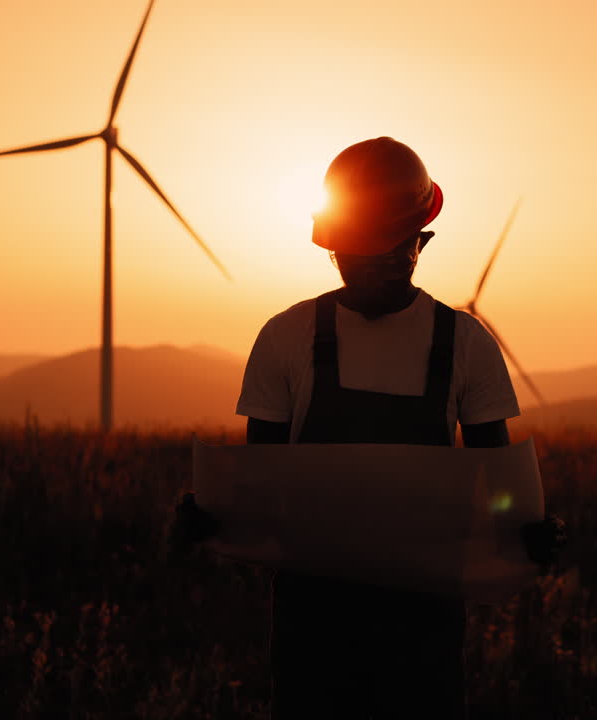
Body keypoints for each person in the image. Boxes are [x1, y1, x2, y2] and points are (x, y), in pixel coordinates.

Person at [170, 137, 565, 719]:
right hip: (313, 617)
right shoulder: (284, 337)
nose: (365, 269)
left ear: (418, 242)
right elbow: (263, 479)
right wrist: (211, 515)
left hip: (424, 619)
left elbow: (497, 480)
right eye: (351, 255)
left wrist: (527, 532)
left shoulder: (467, 344)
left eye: (383, 255)